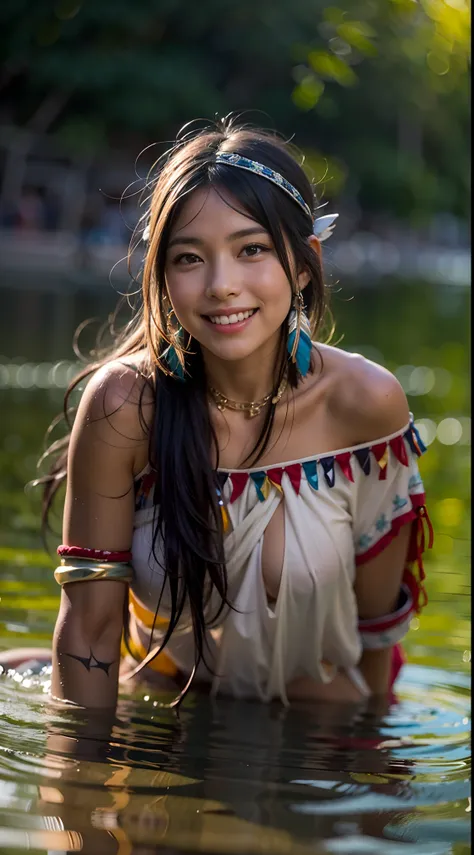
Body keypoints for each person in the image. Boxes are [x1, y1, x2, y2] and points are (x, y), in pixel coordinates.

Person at [2, 118, 433, 710]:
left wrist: (369, 773)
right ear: (163, 277)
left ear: (304, 263)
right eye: (189, 258)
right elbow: (90, 628)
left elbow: (379, 628)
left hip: (318, 734)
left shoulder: (364, 405)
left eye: (251, 249)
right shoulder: (127, 406)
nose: (221, 285)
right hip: (160, 717)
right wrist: (72, 798)